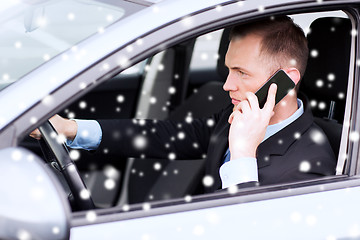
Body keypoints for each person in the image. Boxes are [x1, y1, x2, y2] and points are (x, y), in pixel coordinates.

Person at [31, 16, 336, 193]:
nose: (228, 85)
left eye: (242, 73)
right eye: (228, 69)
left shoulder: (310, 166)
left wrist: (243, 154)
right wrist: (71, 129)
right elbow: (164, 135)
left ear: (286, 80)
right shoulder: (236, 117)